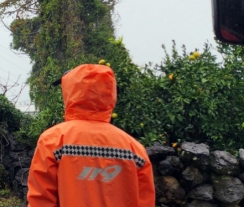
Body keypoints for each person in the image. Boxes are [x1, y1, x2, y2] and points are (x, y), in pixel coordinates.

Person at [26, 64, 155, 206]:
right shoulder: (134, 149)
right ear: (110, 94)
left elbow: (40, 200)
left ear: (70, 92)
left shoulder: (53, 141)